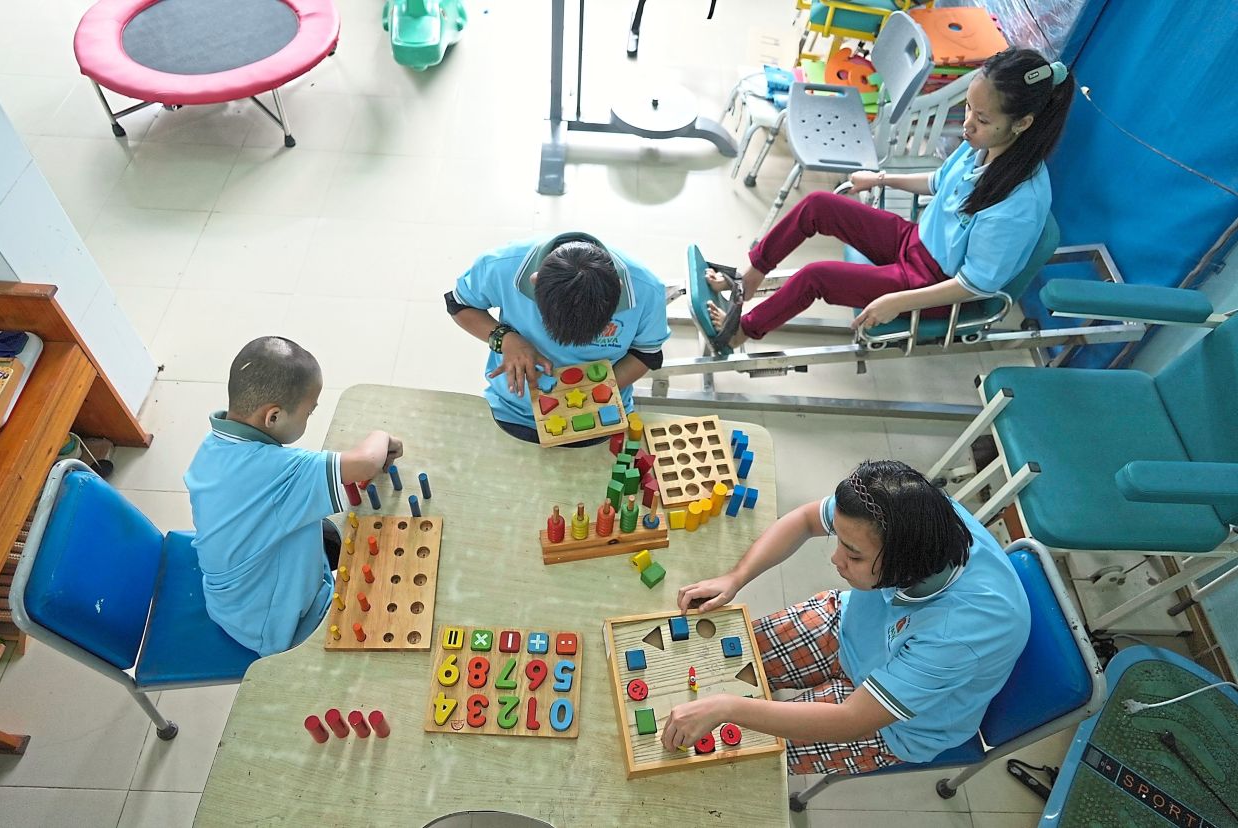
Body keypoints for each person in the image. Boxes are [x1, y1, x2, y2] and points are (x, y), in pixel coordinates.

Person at [663, 460, 1030, 777]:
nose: (836, 560)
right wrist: (735, 577)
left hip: (895, 724)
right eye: (839, 541)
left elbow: (851, 720)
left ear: (904, 562)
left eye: (853, 556)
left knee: (723, 753)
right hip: (850, 627)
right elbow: (807, 519)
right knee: (710, 662)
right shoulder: (917, 512)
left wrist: (730, 707)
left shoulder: (961, 634)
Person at [700, 48, 1074, 353]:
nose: (967, 123)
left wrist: (896, 302)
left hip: (935, 282)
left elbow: (975, 285)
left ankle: (740, 333)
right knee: (818, 205)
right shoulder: (983, 144)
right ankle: (751, 276)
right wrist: (878, 178)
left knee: (814, 277)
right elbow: (937, 182)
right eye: (969, 109)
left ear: (1022, 123)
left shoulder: (1020, 202)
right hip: (913, 242)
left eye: (982, 117)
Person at [185, 336, 403, 657]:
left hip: (232, 600)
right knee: (383, 617)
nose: (308, 418)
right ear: (273, 417)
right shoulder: (280, 470)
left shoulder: (213, 444)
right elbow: (367, 462)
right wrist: (381, 436)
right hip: (274, 626)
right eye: (309, 412)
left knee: (335, 529)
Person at [445, 232, 671, 444]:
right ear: (535, 282)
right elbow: (459, 304)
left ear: (618, 289)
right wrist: (505, 338)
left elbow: (646, 353)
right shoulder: (502, 266)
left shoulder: (647, 290)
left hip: (602, 413)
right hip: (515, 410)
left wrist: (593, 394)